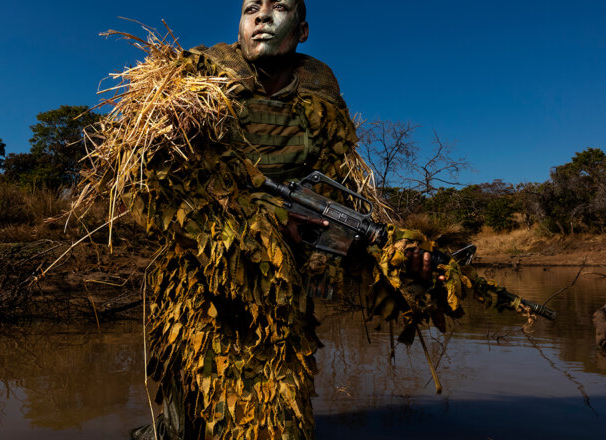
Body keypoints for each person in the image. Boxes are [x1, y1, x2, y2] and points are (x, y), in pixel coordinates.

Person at [129, 1, 442, 438]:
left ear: (303, 30)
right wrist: (261, 224)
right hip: (202, 289)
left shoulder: (320, 100)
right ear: (241, 24)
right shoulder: (197, 81)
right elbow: (153, 188)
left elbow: (336, 212)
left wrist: (398, 260)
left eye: (279, 7)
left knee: (279, 416)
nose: (262, 16)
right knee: (191, 418)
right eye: (251, 8)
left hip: (284, 297)